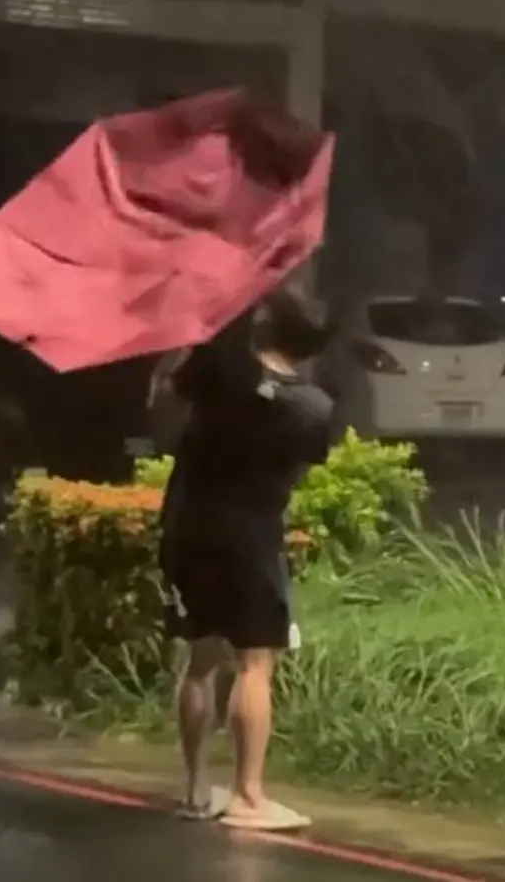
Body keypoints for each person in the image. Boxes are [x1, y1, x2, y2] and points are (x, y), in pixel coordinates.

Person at [158, 282, 335, 830]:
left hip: (188, 530)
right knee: (256, 664)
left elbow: (174, 384)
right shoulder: (313, 406)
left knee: (200, 662)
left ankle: (195, 790)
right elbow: (299, 466)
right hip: (252, 536)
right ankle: (248, 796)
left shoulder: (218, 374)